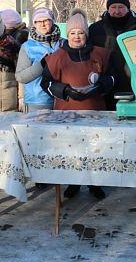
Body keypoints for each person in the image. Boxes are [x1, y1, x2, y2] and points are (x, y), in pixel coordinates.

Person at [40, 13, 115, 200]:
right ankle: (73, 183)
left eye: (80, 32)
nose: (76, 37)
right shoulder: (57, 57)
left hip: (95, 111)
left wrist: (100, 86)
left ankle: (94, 184)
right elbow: (46, 83)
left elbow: (113, 78)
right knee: (72, 149)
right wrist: (65, 91)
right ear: (68, 34)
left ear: (86, 34)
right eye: (72, 32)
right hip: (68, 113)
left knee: (95, 149)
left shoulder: (100, 54)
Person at [88, 0, 136, 110]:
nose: (117, 11)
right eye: (113, 7)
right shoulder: (95, 29)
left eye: (121, 7)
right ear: (108, 8)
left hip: (133, 86)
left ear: (128, 8)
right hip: (105, 86)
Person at [15, 7, 64, 112]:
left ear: (52, 21)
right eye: (38, 21)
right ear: (34, 23)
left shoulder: (64, 43)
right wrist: (41, 64)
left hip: (63, 99)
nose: (42, 24)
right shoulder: (27, 46)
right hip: (38, 101)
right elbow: (20, 77)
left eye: (46, 20)